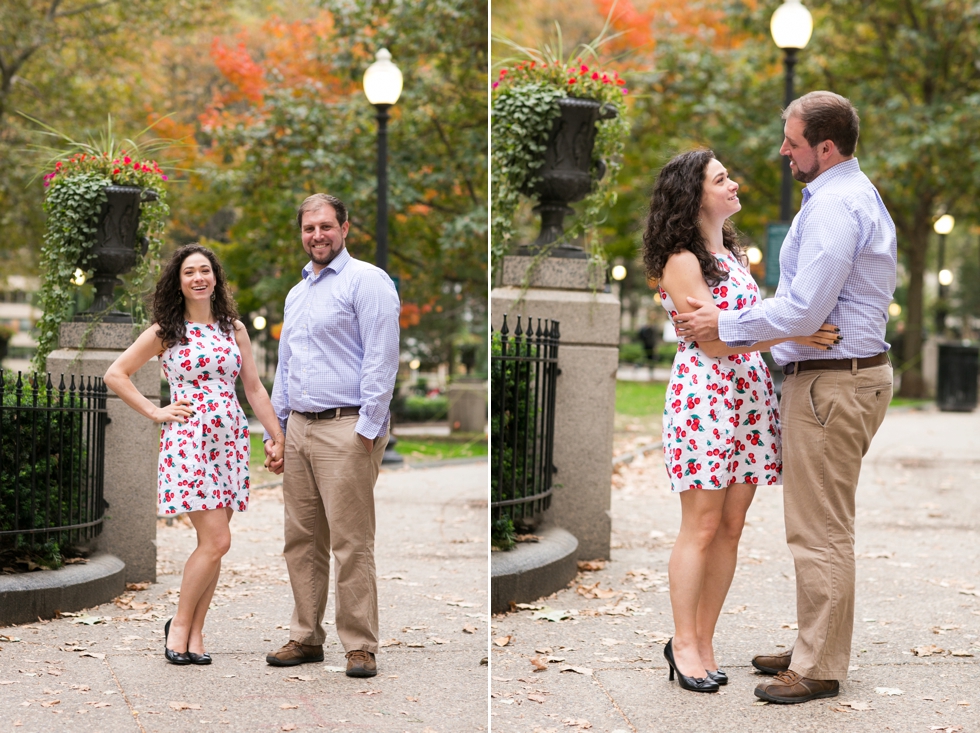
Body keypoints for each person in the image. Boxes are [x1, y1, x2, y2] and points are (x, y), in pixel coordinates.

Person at [673, 91, 897, 704]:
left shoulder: (834, 206)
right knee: (818, 525)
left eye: (792, 142)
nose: (782, 151)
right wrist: (783, 330)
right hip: (838, 376)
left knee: (819, 530)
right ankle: (811, 644)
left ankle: (819, 663)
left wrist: (724, 327)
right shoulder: (846, 195)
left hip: (834, 382)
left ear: (824, 148)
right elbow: (800, 312)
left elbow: (803, 307)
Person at [643, 148, 839, 694]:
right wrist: (794, 332)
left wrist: (770, 329)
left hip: (749, 396)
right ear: (693, 194)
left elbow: (739, 328)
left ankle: (704, 641)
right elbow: (713, 340)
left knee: (731, 526)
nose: (734, 185)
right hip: (707, 396)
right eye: (721, 178)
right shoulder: (682, 259)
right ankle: (682, 643)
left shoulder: (731, 252)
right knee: (701, 525)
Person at [105, 244, 284, 665]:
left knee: (214, 544)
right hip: (190, 442)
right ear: (179, 281)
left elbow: (254, 389)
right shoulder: (167, 330)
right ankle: (180, 625)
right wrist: (156, 411)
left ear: (216, 278)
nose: (199, 278)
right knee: (218, 539)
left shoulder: (233, 329)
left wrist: (278, 435)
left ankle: (197, 631)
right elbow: (117, 373)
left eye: (206, 270)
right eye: (190, 272)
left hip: (230, 442)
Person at [263, 193, 400, 679]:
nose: (317, 235)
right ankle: (306, 635)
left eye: (325, 226)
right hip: (298, 427)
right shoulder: (297, 293)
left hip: (346, 426)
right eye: (308, 228)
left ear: (345, 227)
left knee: (350, 541)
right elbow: (286, 367)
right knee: (301, 539)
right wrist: (277, 431)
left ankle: (360, 644)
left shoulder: (367, 281)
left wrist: (366, 430)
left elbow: (382, 358)